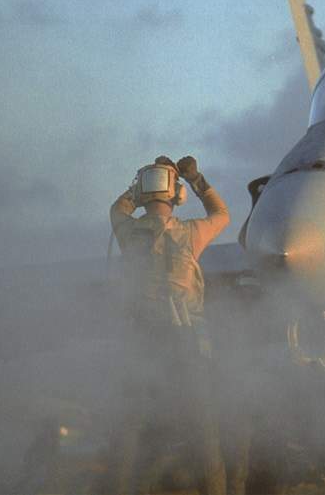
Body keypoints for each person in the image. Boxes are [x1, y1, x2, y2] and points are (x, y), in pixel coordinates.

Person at [109, 155, 230, 495]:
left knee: (131, 430)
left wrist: (136, 189)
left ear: (142, 195)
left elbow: (118, 209)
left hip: (143, 343)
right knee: (205, 433)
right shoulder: (191, 233)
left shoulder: (128, 233)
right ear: (177, 196)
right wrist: (195, 179)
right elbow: (222, 215)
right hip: (187, 344)